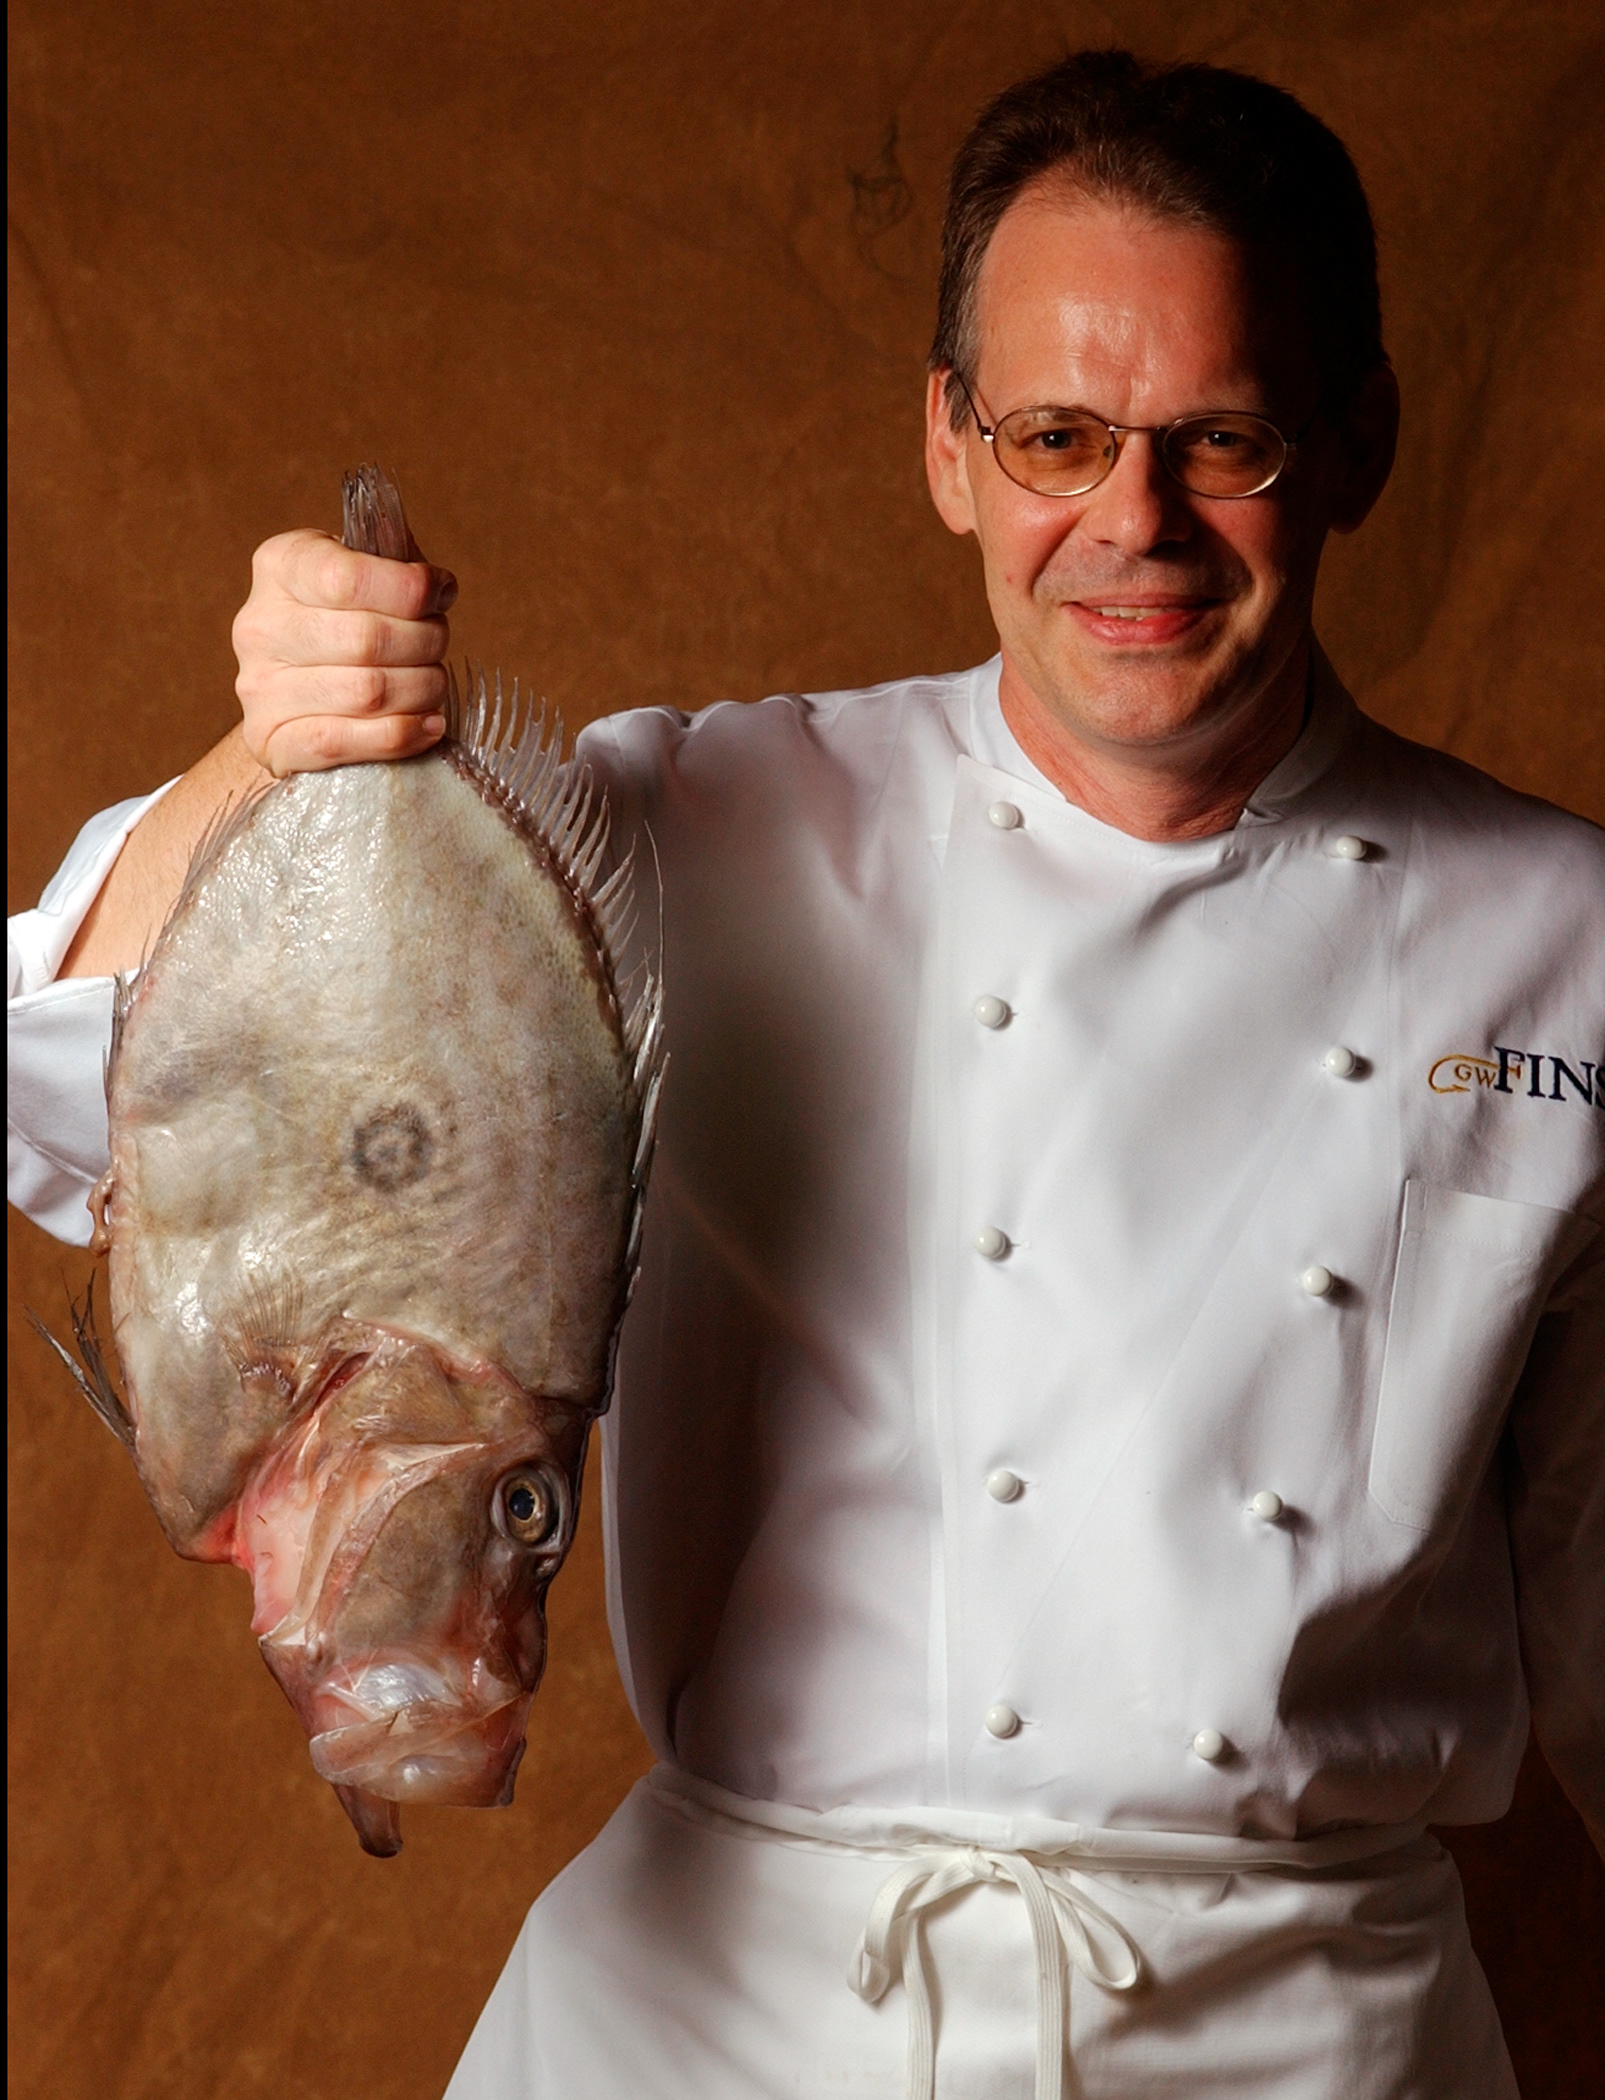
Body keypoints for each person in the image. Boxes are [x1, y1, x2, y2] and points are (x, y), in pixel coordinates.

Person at [8, 48, 1603, 2100]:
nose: (1131, 525)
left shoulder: (1565, 940)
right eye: (1051, 434)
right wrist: (286, 739)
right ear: (945, 447)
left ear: (1356, 443)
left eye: (1219, 438)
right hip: (717, 2024)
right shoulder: (697, 823)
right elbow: (67, 1091)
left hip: (1301, 2038)